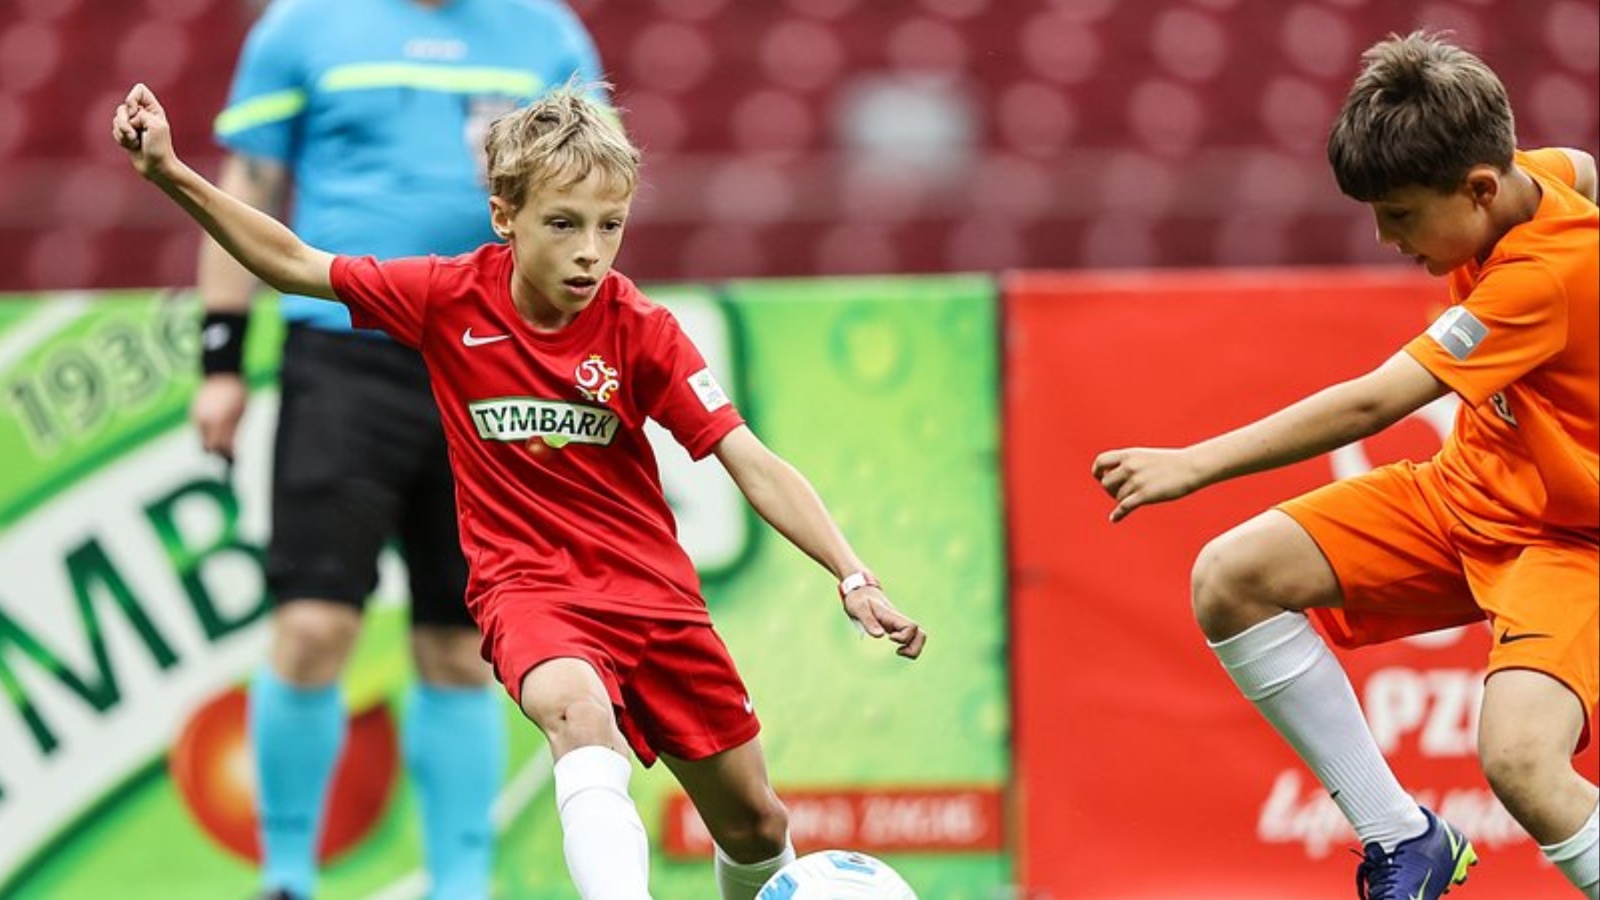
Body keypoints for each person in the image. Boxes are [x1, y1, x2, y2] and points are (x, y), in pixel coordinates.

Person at [117, 81, 928, 900]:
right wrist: (171, 173)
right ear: (506, 215)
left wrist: (853, 574)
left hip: (653, 597)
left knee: (756, 826)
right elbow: (295, 263)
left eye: (610, 226)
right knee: (579, 717)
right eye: (564, 224)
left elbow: (748, 457)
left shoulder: (641, 330)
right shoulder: (445, 295)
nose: (590, 252)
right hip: (528, 590)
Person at [1090, 31, 1598, 900]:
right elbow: (1584, 165)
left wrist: (1193, 464)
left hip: (1563, 542)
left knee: (1521, 762)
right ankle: (1406, 839)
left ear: (1478, 189)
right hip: (1463, 493)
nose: (1385, 236)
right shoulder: (1531, 178)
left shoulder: (1542, 276)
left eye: (1400, 214)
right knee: (1232, 578)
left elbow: (1373, 403)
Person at [186, 2, 606, 898]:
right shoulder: (302, 27)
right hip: (339, 356)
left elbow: (591, 200)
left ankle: (460, 883)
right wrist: (220, 355)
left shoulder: (548, 36)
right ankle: (287, 875)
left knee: (462, 641)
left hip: (491, 363)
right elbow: (249, 185)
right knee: (312, 622)